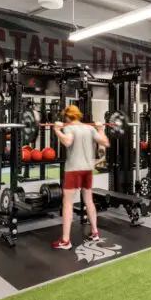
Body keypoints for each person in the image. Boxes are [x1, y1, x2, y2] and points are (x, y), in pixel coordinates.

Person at [51, 105, 110, 250]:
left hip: (73, 170)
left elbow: (67, 142)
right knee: (88, 200)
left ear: (66, 117)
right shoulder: (89, 128)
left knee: (68, 203)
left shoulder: (69, 128)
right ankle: (95, 232)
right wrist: (101, 129)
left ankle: (65, 241)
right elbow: (106, 143)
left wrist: (57, 130)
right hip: (87, 169)